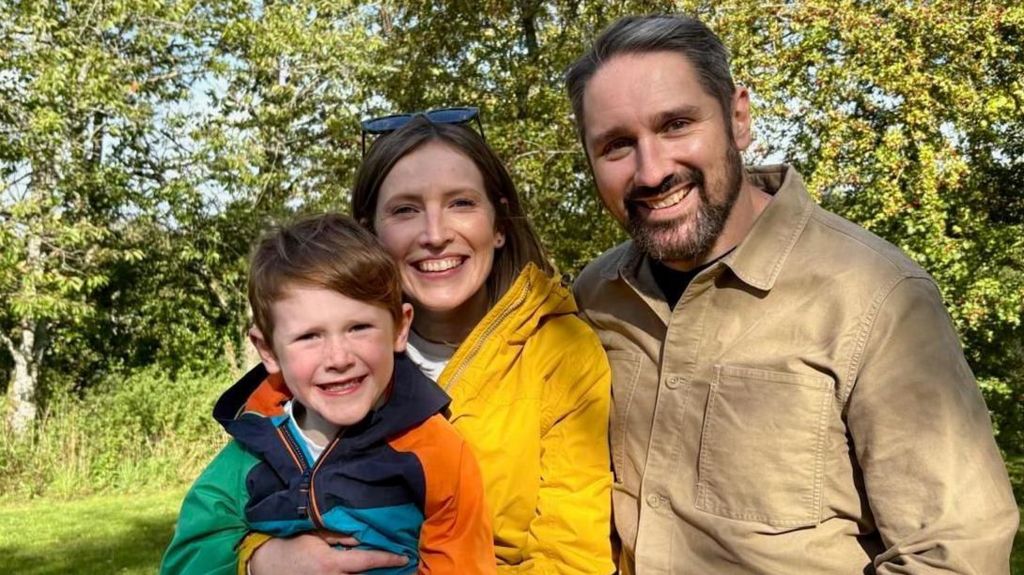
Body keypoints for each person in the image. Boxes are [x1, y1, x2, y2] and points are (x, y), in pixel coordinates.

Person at [565, 14, 1019, 575]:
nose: (652, 169)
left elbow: (954, 556)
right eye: (616, 146)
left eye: (677, 124)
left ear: (738, 118)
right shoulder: (596, 297)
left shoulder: (875, 295)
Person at [240, 114, 615, 574]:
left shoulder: (561, 352)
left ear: (498, 223)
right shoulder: (327, 365)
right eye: (404, 210)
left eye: (460, 203)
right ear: (369, 231)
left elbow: (572, 558)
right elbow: (216, 520)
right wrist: (260, 560)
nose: (435, 235)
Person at [160, 213, 496, 575]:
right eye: (309, 336)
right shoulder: (247, 455)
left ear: (400, 327)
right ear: (269, 350)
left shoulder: (438, 452)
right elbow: (185, 561)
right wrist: (262, 562)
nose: (338, 358)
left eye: (358, 327)